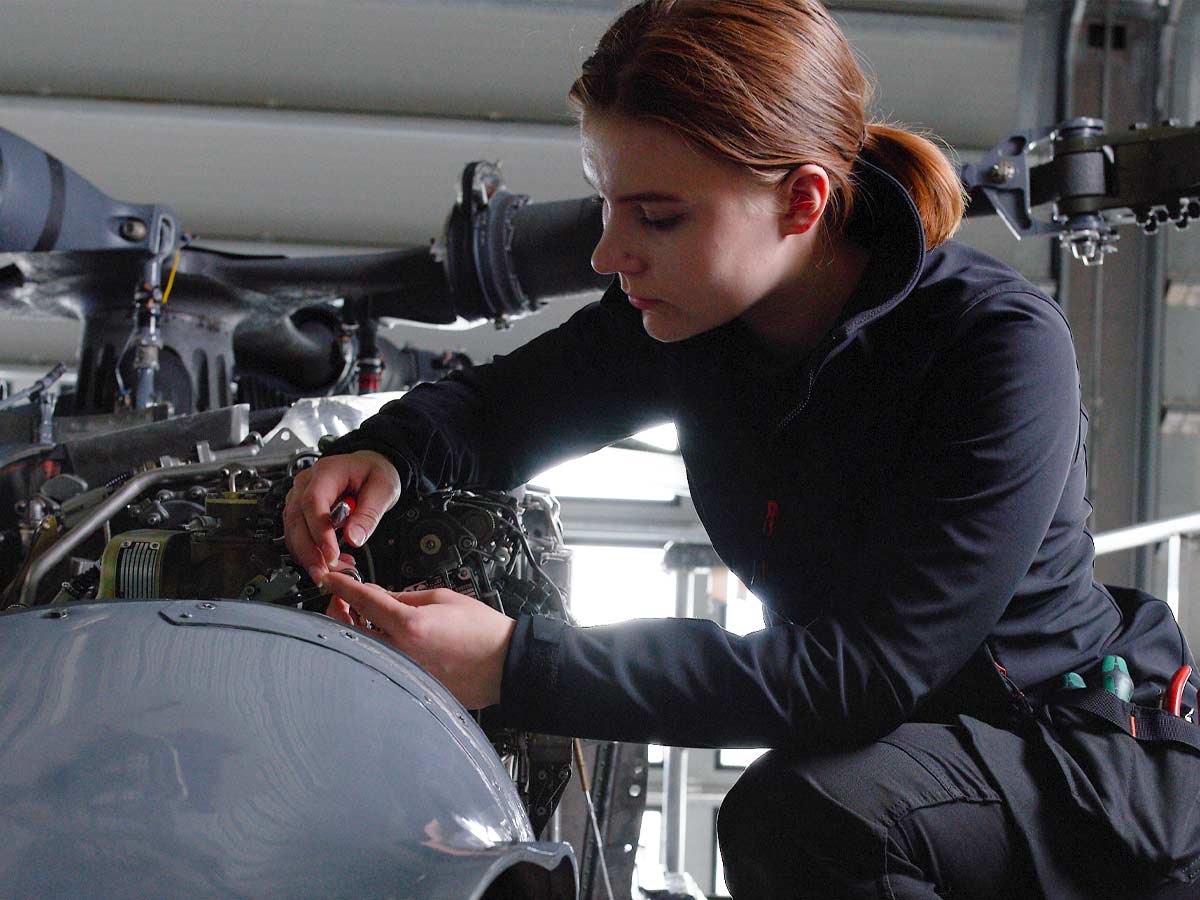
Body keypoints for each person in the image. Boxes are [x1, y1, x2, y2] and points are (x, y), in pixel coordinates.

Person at [283, 1, 1200, 897]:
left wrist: (520, 665)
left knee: (804, 813)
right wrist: (386, 455)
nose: (609, 255)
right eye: (608, 207)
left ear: (800, 201)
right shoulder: (696, 321)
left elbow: (867, 670)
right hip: (899, 763)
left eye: (658, 216)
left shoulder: (996, 346)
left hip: (1071, 776)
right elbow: (505, 405)